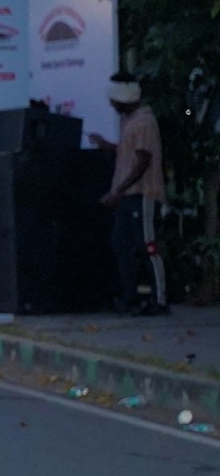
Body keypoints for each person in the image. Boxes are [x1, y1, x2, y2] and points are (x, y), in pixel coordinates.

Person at [93, 74, 168, 315]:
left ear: (124, 98)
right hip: (127, 196)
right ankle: (130, 298)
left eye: (114, 100)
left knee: (148, 246)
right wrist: (108, 146)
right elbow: (131, 153)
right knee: (121, 245)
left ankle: (160, 301)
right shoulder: (129, 121)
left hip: (142, 194)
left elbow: (142, 162)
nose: (112, 104)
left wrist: (117, 191)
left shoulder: (144, 122)